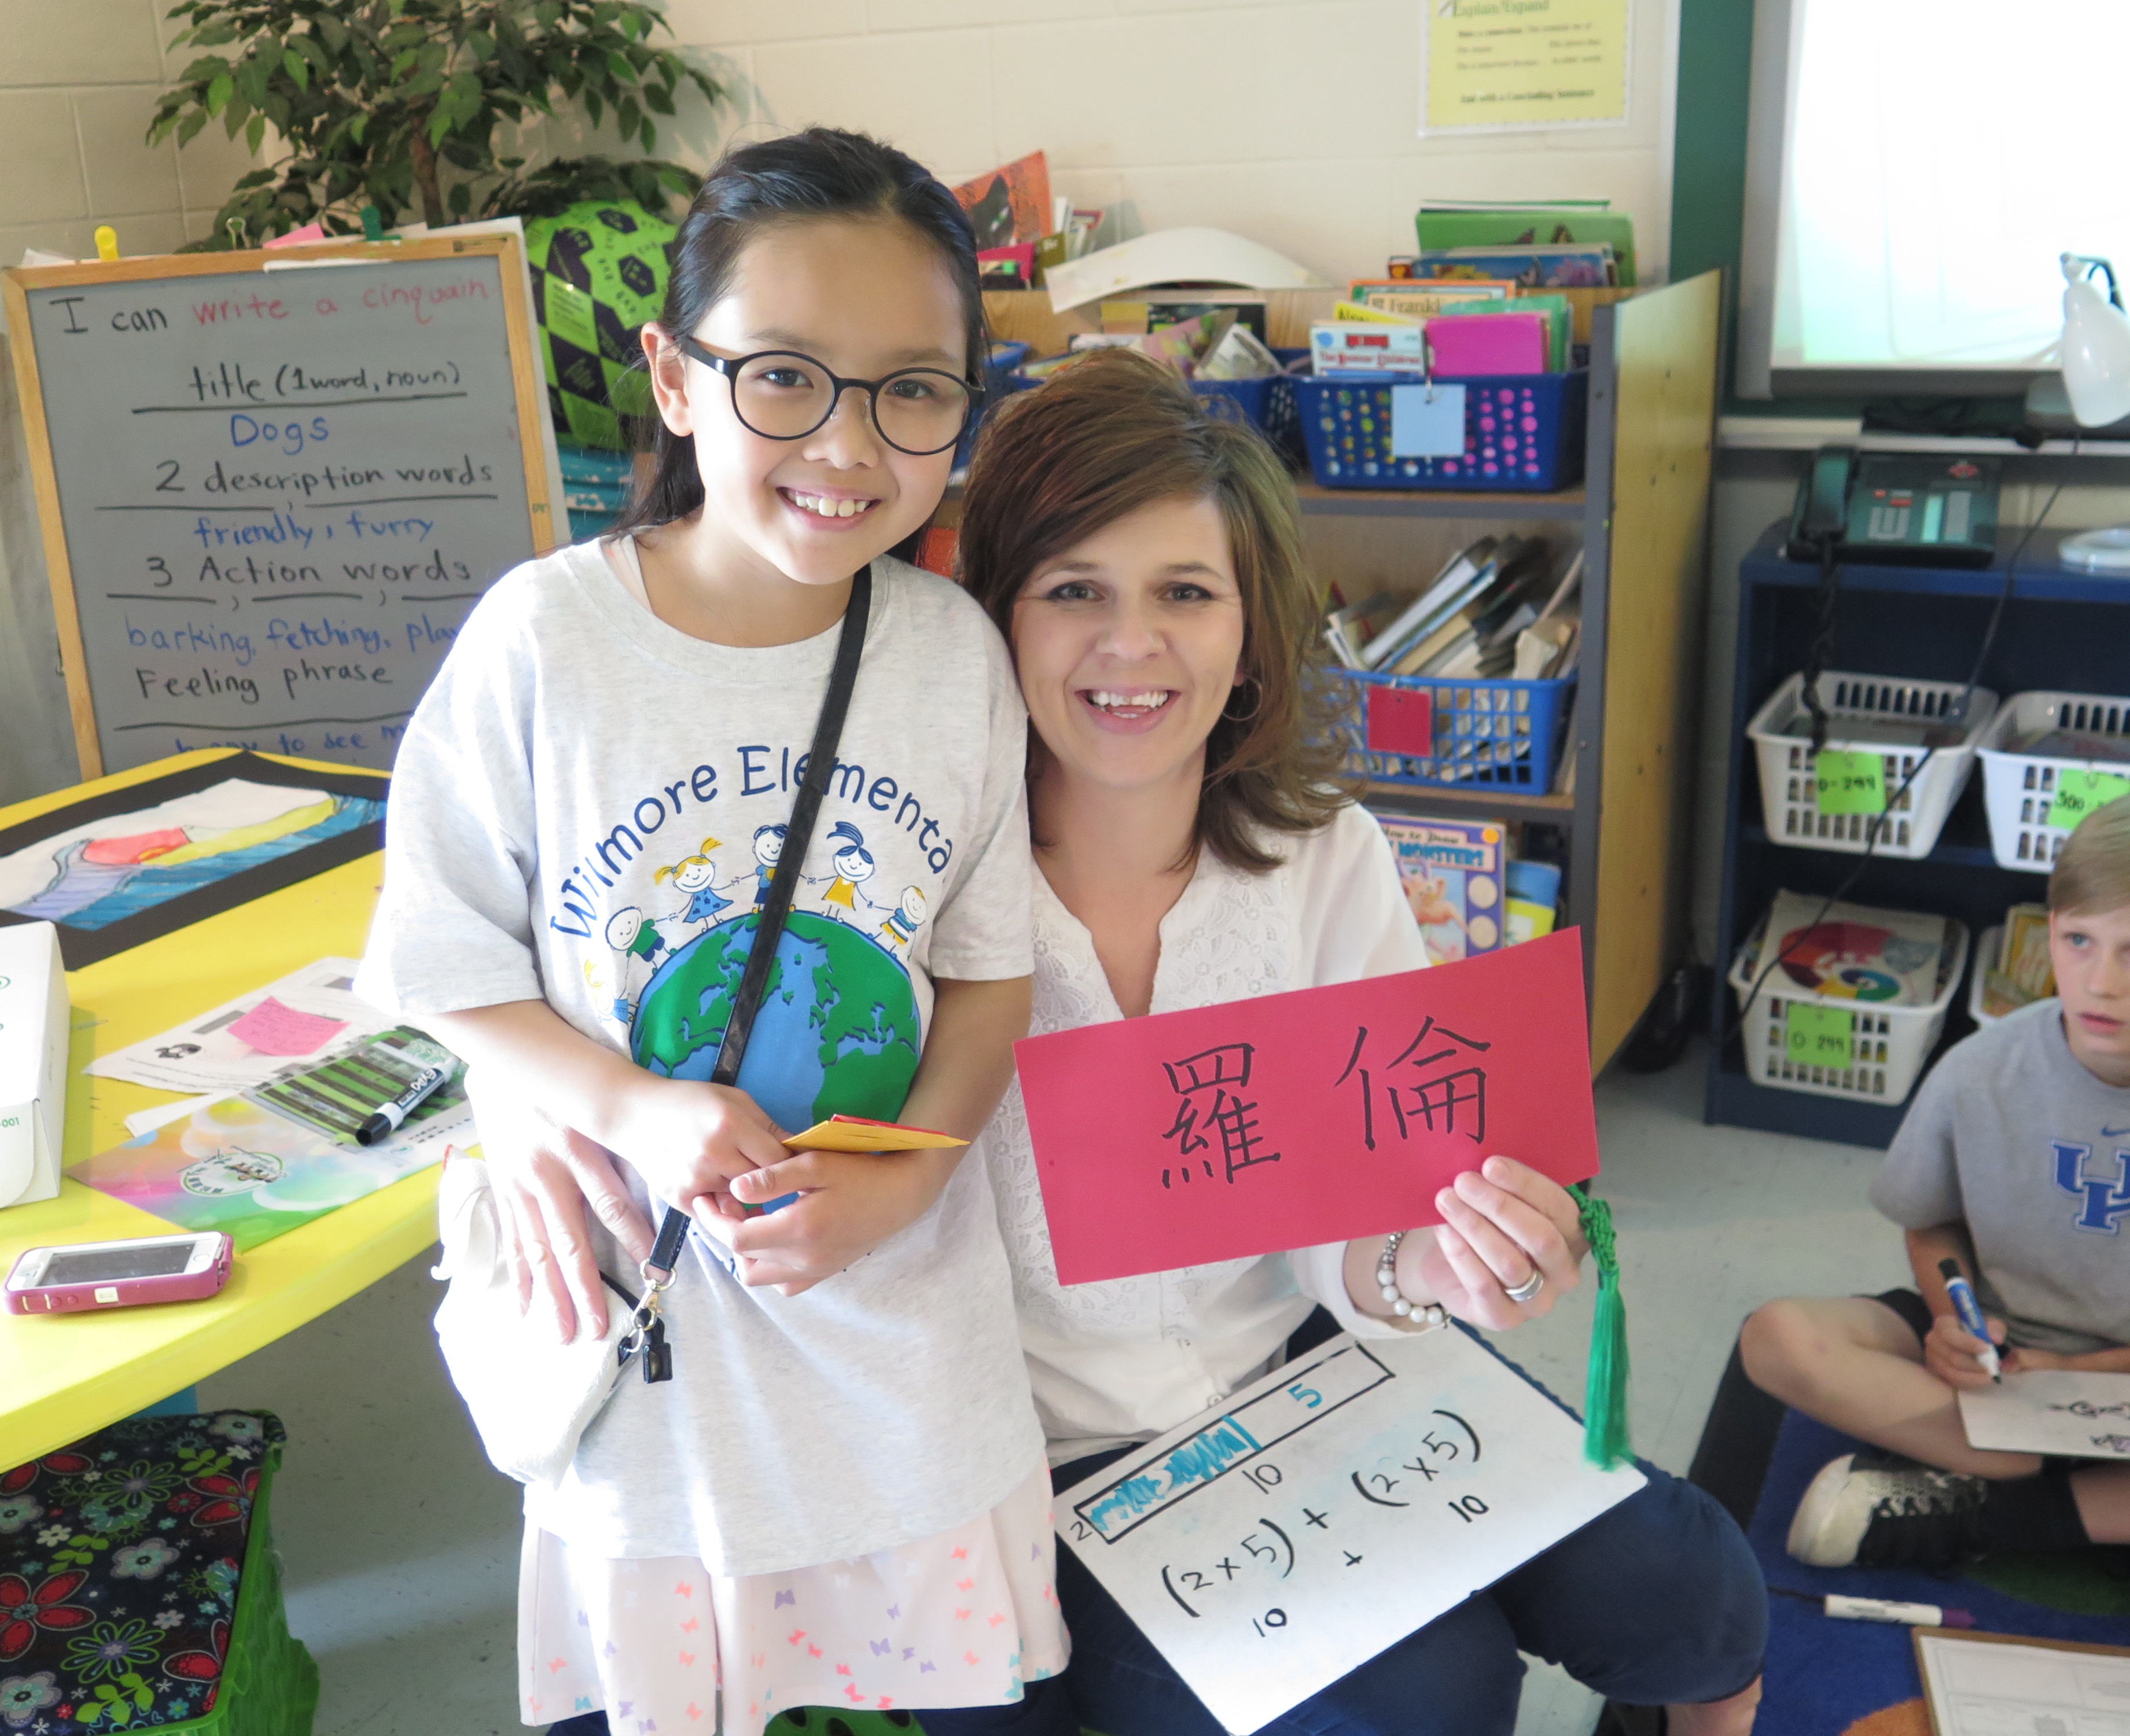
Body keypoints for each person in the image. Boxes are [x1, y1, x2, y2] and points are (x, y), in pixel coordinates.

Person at [933, 350, 1767, 1736]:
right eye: (1072, 590)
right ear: (994, 615)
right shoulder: (925, 894)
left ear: (1253, 628)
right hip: (1060, 1462)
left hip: (1308, 1368)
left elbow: (1366, 1206)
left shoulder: (1323, 857)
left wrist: (1438, 1260)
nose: (1128, 645)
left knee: (1695, 1594)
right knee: (1425, 1699)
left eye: (1184, 593)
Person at [358, 129, 1069, 1736]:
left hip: (902, 1338)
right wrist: (632, 1108)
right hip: (657, 1341)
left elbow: (987, 974)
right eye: (786, 378)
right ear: (675, 380)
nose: (848, 443)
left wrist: (908, 1179)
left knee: (981, 1705)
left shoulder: (949, 652)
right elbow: (443, 964)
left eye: (912, 390)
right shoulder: (546, 642)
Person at [1741, 796, 2130, 1570]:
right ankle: (2066, 1488)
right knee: (1777, 1338)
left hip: (2112, 1376)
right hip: (1996, 1357)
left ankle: (2002, 1512)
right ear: (2050, 929)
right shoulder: (1980, 1068)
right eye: (2079, 941)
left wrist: (2074, 1374)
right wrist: (1955, 1320)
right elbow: (1931, 1224)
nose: (2102, 982)